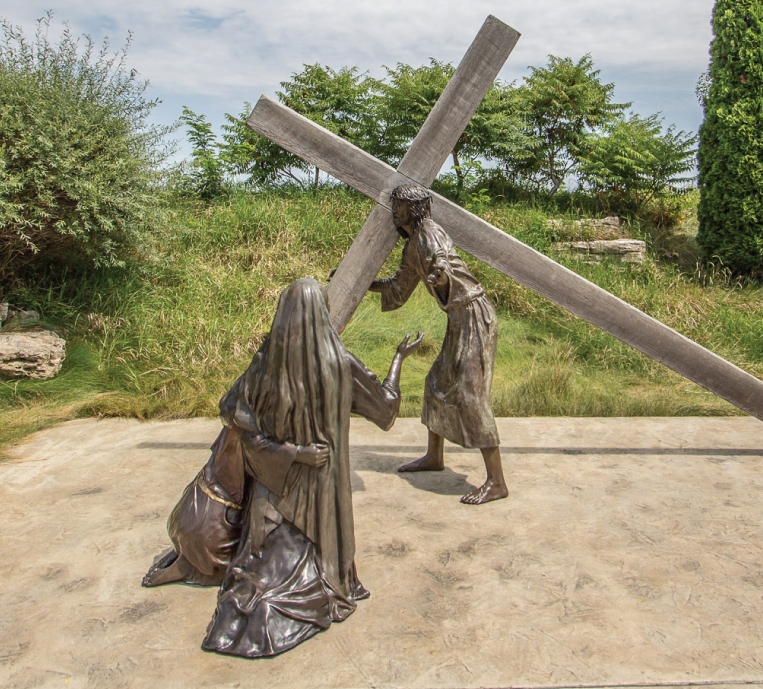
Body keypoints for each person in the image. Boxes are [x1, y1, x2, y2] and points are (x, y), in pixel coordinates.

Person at [142, 277, 422, 658]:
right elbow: (386, 410)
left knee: (258, 571)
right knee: (289, 580)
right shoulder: (340, 363)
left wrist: (277, 446)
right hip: (324, 499)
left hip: (271, 499)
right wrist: (398, 360)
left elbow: (229, 409)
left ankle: (238, 588)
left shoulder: (265, 361)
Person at [368, 184, 508, 504]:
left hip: (474, 314)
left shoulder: (430, 233)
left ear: (415, 208)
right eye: (394, 203)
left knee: (470, 396)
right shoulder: (413, 245)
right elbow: (398, 287)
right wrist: (366, 284)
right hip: (459, 318)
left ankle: (496, 481)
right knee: (435, 384)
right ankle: (434, 457)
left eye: (400, 204)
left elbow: (442, 258)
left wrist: (440, 276)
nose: (395, 209)